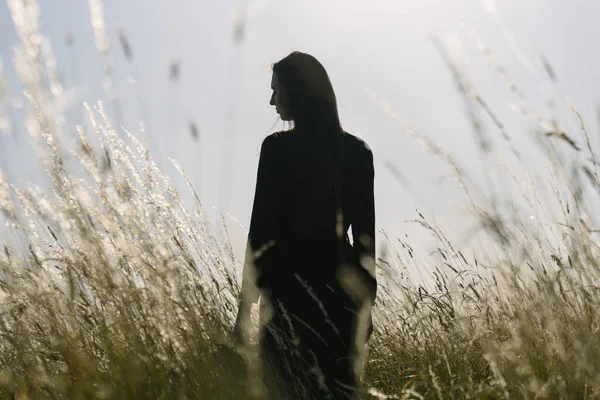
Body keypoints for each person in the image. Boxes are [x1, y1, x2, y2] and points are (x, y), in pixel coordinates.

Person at [233, 51, 376, 399]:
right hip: (340, 309)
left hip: (285, 304)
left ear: (295, 92)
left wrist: (244, 313)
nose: (271, 100)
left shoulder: (277, 150)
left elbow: (259, 236)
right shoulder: (357, 152)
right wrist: (365, 307)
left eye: (276, 91)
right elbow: (366, 245)